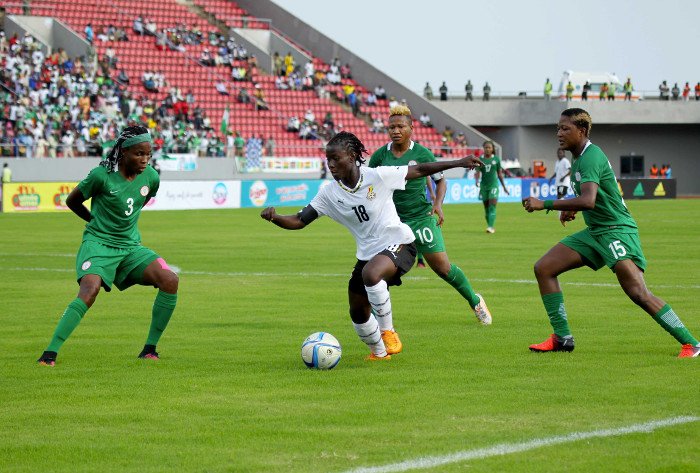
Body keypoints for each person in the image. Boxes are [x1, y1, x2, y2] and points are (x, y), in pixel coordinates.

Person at [261, 131, 483, 360]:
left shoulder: (378, 176)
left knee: (371, 273)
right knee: (357, 311)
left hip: (401, 244)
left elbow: (419, 170)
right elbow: (299, 220)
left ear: (353, 156)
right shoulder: (328, 193)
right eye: (328, 160)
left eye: (336, 159)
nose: (331, 165)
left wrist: (460, 162)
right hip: (369, 254)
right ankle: (379, 353)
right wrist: (275, 217)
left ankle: (388, 332)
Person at [522, 108, 699, 358]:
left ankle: (692, 343)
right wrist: (570, 209)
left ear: (581, 131)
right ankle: (562, 338)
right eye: (558, 128)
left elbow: (589, 200)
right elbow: (587, 199)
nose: (559, 133)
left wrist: (546, 204)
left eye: (565, 128)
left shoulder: (591, 156)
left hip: (617, 231)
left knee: (638, 293)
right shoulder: (578, 156)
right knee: (544, 268)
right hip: (596, 231)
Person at [37, 126, 179, 366]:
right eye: (138, 154)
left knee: (170, 280)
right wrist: (95, 222)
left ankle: (149, 349)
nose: (144, 160)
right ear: (123, 152)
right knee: (89, 291)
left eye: (148, 154)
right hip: (98, 245)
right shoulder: (100, 176)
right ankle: (49, 353)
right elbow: (72, 200)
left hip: (130, 247)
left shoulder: (151, 177)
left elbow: (136, 205)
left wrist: (124, 229)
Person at [368, 105, 492, 326]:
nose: (395, 131)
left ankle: (475, 301)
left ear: (411, 128)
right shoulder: (379, 156)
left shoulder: (422, 154)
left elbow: (440, 180)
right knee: (381, 272)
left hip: (421, 218)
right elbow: (370, 185)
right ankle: (379, 325)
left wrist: (438, 204)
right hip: (392, 223)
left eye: (400, 126)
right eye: (391, 127)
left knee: (443, 268)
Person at [475, 140, 509, 233]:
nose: (487, 149)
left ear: (493, 149)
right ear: (483, 149)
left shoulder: (496, 159)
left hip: (493, 186)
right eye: (486, 147)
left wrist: (504, 187)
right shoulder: (480, 159)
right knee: (486, 209)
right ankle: (490, 226)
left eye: (489, 147)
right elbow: (477, 172)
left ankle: (490, 227)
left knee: (492, 207)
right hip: (484, 187)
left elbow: (500, 174)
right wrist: (476, 181)